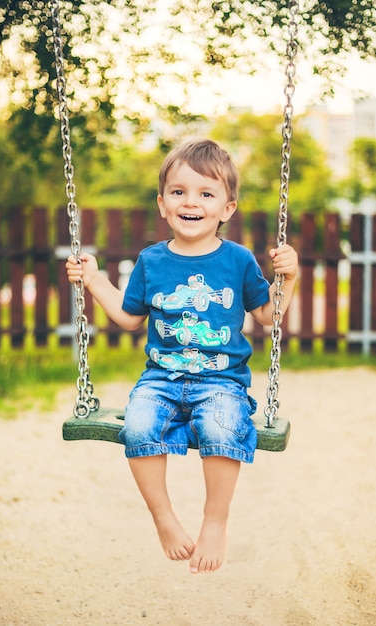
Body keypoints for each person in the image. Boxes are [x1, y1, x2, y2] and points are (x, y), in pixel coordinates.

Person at [66, 139, 298, 574]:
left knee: (223, 426)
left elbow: (269, 314)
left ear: (226, 209)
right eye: (179, 192)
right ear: (162, 204)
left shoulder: (238, 260)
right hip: (161, 378)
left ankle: (215, 521)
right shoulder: (151, 261)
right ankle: (164, 518)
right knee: (137, 426)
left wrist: (290, 276)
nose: (191, 202)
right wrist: (94, 280)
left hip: (222, 380)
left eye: (206, 194)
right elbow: (129, 317)